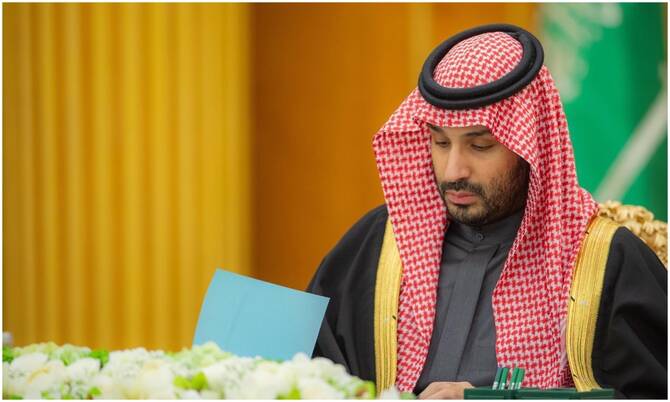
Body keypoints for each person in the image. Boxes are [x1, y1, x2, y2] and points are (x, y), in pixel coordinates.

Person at [307, 24, 667, 399]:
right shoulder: (377, 247)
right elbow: (301, 372)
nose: (453, 171)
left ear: (529, 145)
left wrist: (491, 400)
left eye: (479, 146)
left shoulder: (605, 262)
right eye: (440, 142)